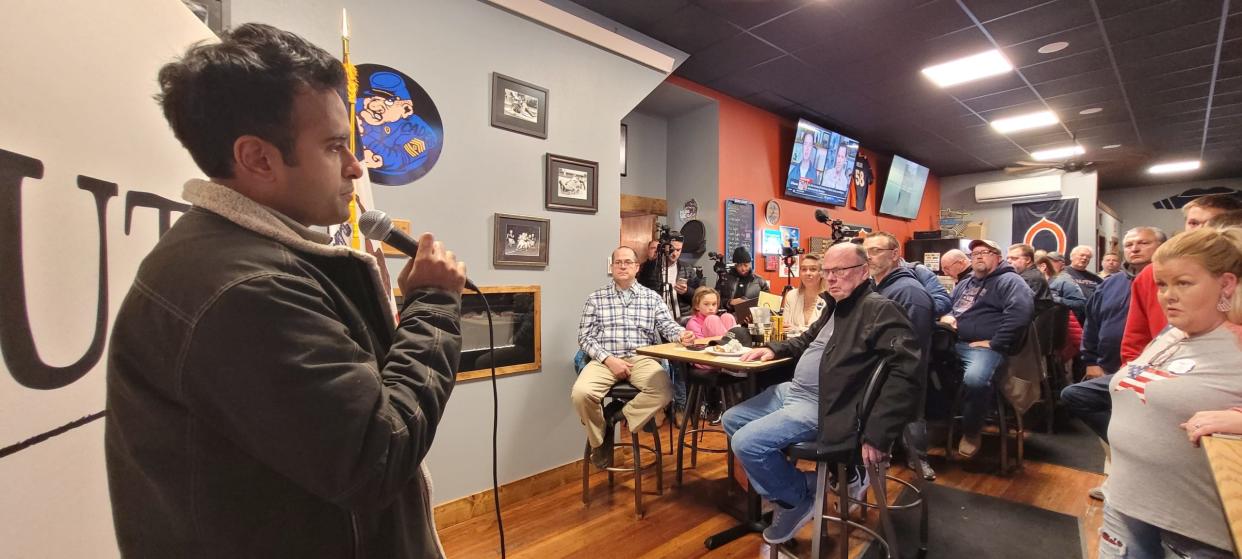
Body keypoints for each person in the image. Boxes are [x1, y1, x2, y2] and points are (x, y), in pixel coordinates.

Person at [104, 24, 466, 558]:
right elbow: (376, 456)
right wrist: (433, 307)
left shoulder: (236, 260)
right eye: (334, 146)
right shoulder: (246, 290)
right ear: (257, 158)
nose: (356, 165)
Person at [721, 243, 920, 545]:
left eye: (840, 271)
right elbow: (805, 341)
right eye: (829, 272)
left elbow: (906, 372)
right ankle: (803, 486)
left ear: (864, 271)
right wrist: (772, 348)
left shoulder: (879, 309)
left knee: (746, 443)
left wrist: (879, 433)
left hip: (826, 404)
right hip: (792, 392)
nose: (832, 279)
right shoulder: (837, 307)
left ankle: (797, 498)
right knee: (731, 419)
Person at [1102, 227, 1242, 558]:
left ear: (1225, 284)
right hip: (1127, 504)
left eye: (1183, 283)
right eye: (1162, 285)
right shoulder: (1172, 334)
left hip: (1190, 529)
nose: (1167, 296)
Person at [573, 246, 695, 469]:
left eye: (628, 262)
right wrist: (609, 359)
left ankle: (615, 418)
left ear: (637, 267)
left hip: (642, 358)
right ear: (611, 267)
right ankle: (599, 440)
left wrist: (681, 334)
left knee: (665, 390)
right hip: (605, 359)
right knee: (581, 394)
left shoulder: (652, 298)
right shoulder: (595, 298)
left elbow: (666, 325)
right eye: (618, 262)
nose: (622, 265)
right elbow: (585, 337)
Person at [1063, 227, 1165, 446]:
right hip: (1109, 368)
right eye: (1129, 245)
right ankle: (1126, 448)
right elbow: (1092, 322)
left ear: (1162, 246)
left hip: (1153, 374)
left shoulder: (1170, 283)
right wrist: (1090, 361)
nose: (1135, 248)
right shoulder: (1109, 283)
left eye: (1143, 243)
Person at [1122, 194, 1242, 364]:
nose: (1200, 229)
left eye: (1212, 221)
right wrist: (1130, 375)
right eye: (1193, 223)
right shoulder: (1152, 272)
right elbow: (1136, 336)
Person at [941, 239, 1034, 458]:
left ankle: (972, 432)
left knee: (975, 380)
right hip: (954, 342)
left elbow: (1021, 314)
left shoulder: (1010, 281)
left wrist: (994, 343)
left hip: (984, 348)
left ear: (998, 257)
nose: (979, 256)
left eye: (985, 252)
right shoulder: (966, 282)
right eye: (974, 254)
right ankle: (939, 422)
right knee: (920, 364)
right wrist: (948, 315)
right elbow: (951, 306)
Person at [865, 233, 937, 481]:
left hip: (900, 377)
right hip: (881, 371)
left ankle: (917, 457)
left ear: (895, 254)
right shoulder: (880, 286)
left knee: (912, 413)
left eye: (875, 250)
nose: (869, 257)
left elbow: (910, 353)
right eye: (866, 252)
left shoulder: (908, 291)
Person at [638, 237, 694, 317]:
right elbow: (640, 290)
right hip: (656, 315)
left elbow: (699, 293)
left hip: (681, 316)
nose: (675, 254)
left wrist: (687, 291)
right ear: (664, 248)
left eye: (678, 250)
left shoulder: (687, 268)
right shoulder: (649, 267)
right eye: (672, 249)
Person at [781, 253, 827, 333]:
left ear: (822, 273)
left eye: (813, 269)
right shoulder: (791, 295)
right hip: (793, 343)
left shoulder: (830, 298)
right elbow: (785, 326)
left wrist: (797, 329)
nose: (807, 273)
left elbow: (825, 331)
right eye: (804, 269)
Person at [717, 246, 771, 312]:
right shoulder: (724, 279)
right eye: (739, 265)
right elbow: (715, 299)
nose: (743, 269)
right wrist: (730, 302)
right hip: (729, 317)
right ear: (735, 265)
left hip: (752, 318)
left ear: (750, 264)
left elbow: (767, 303)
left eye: (746, 265)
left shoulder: (760, 281)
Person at [1007, 243, 1053, 308]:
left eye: (1014, 258)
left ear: (1028, 260)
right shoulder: (1027, 275)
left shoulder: (1030, 278)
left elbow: (1016, 305)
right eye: (1008, 258)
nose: (1008, 261)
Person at [1045, 251, 1087, 322]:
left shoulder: (1065, 280)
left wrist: (1056, 299)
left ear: (1062, 264)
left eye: (1053, 261)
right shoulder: (1044, 277)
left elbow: (1080, 303)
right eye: (1047, 261)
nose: (1048, 263)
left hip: (1061, 323)